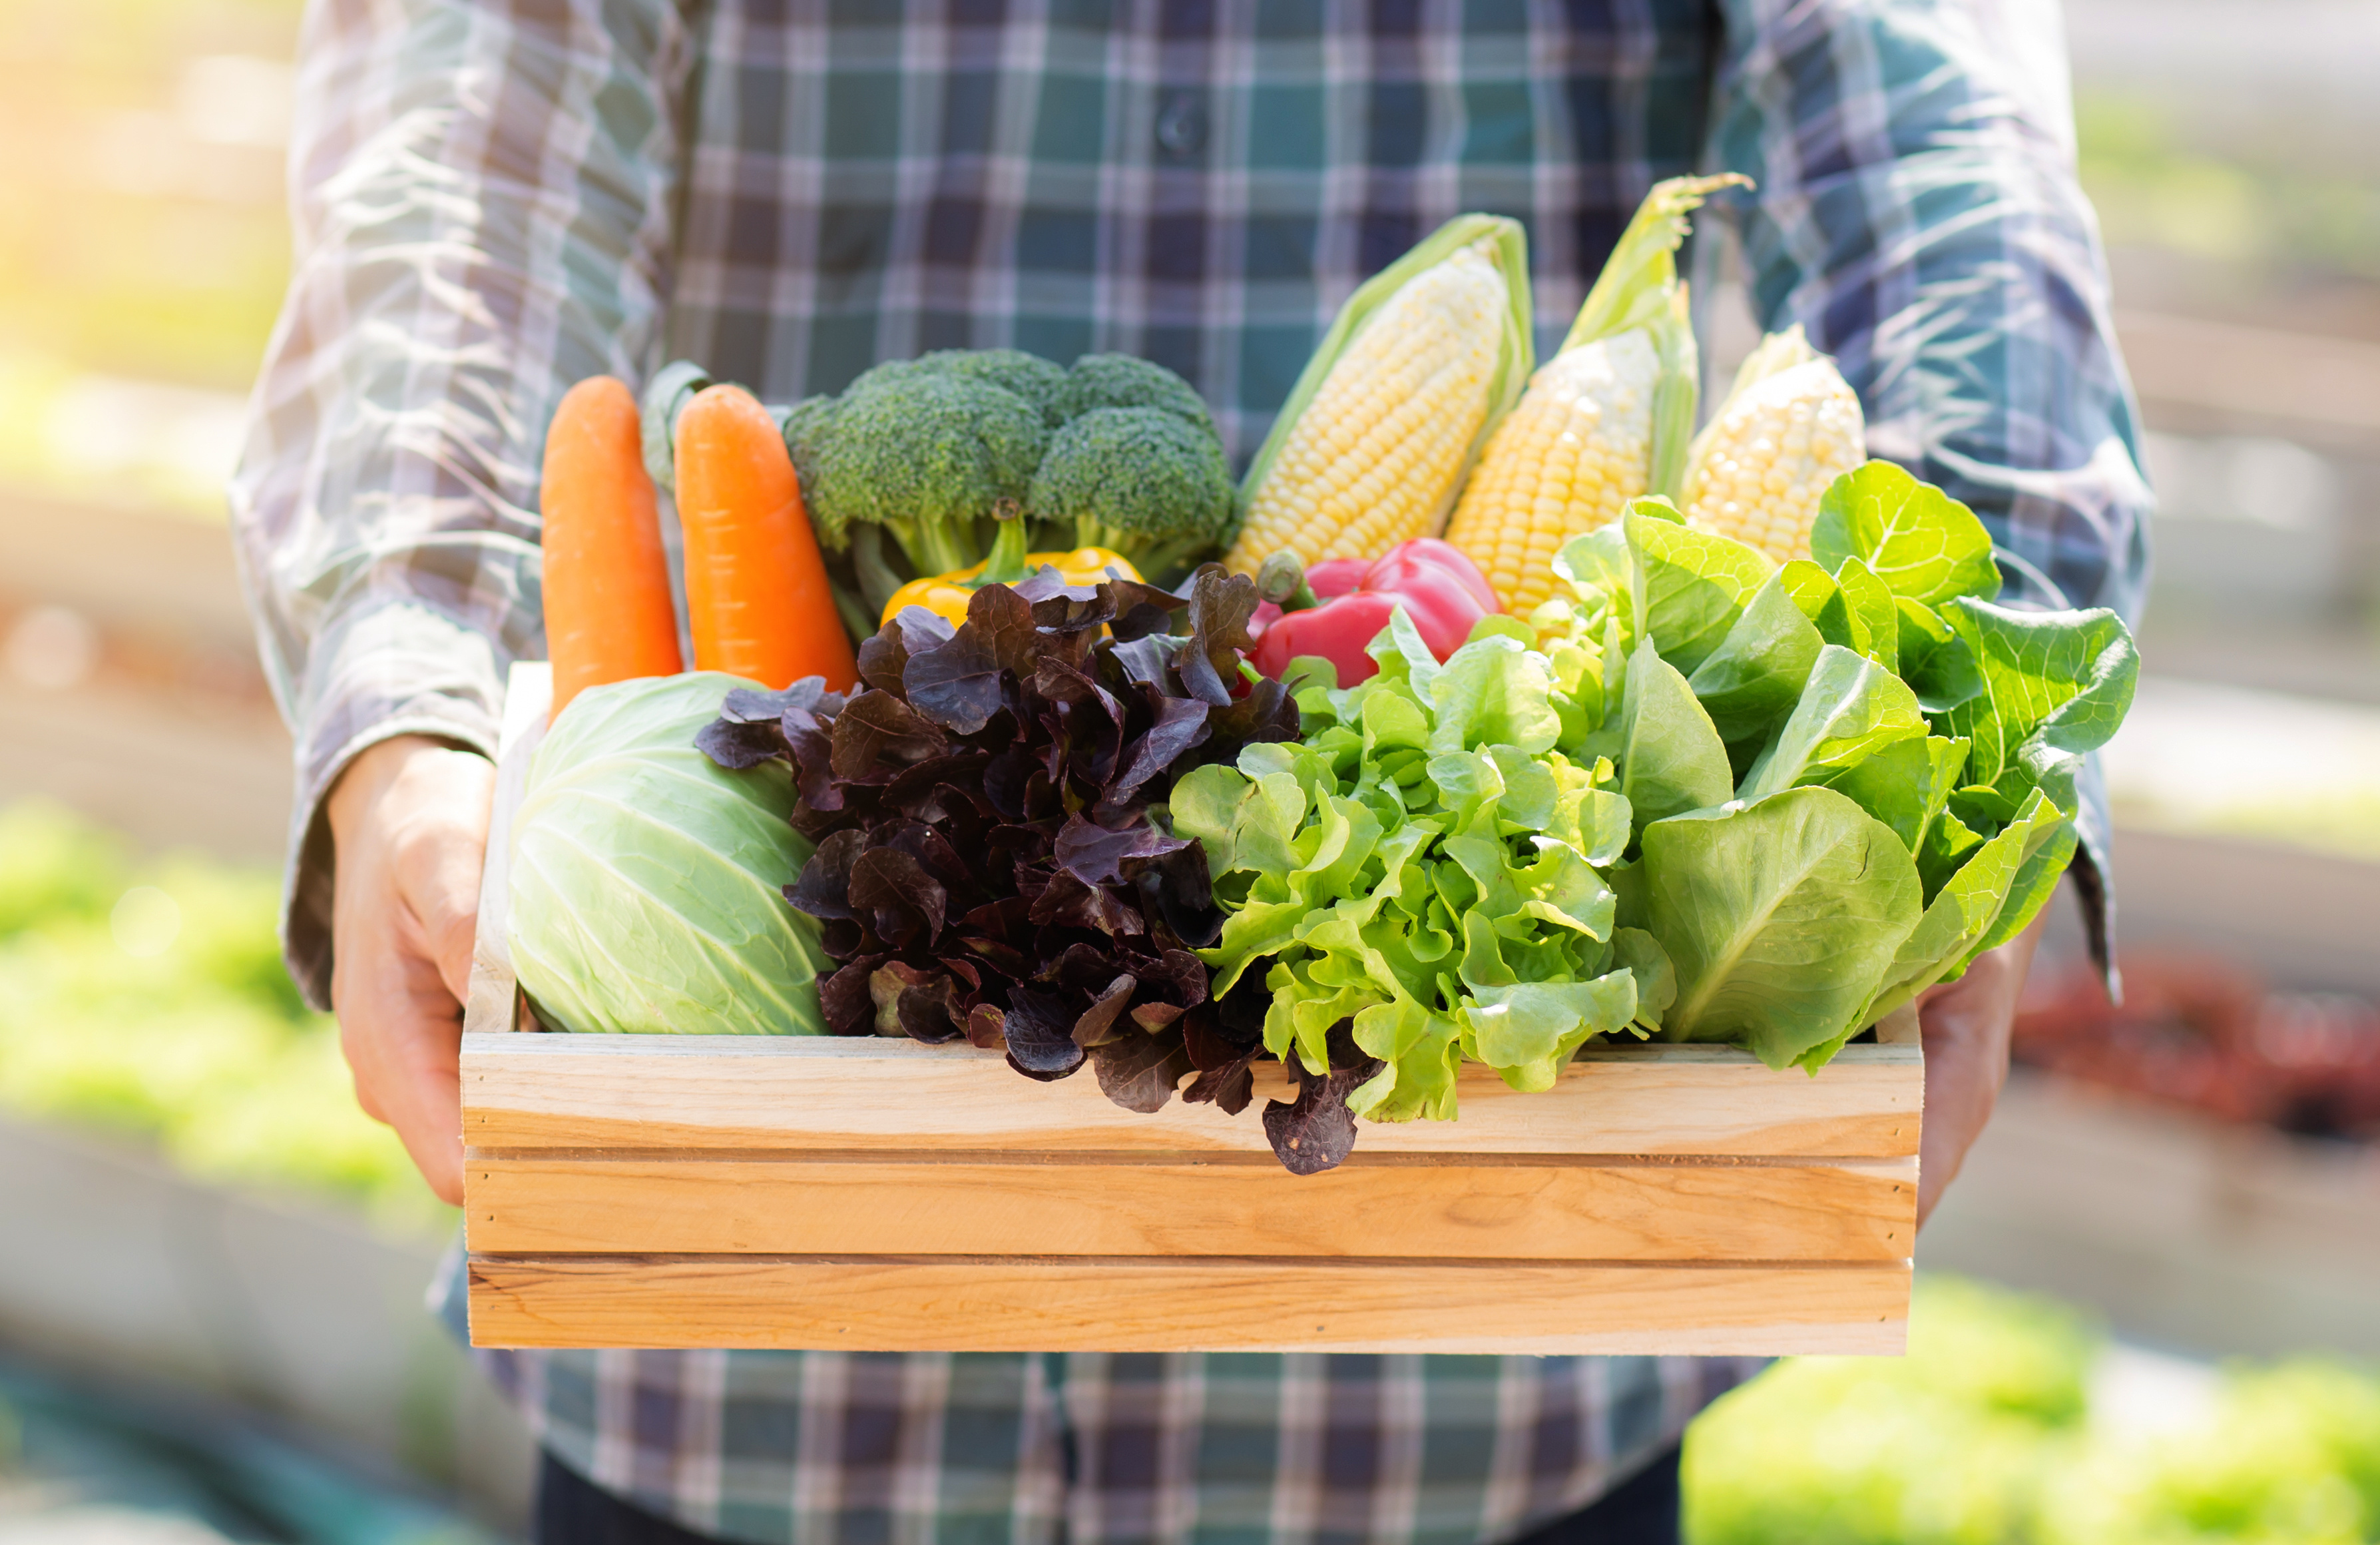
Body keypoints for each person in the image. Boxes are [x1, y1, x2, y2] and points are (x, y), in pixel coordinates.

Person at [230, 3, 2150, 1542]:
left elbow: (1939, 146)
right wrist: (407, 691)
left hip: (1473, 1345)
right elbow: (465, 129)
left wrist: (1967, 726)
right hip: (750, 1334)